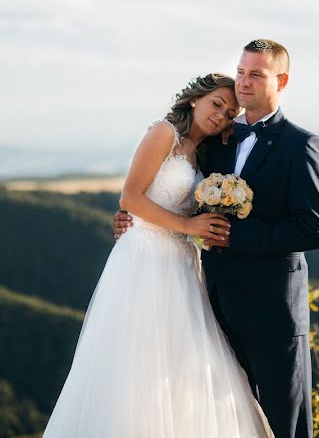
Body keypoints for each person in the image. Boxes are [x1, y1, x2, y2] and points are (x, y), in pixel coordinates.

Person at [115, 40, 319, 438]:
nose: (244, 82)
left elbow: (316, 228)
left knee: (285, 428)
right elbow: (171, 194)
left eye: (257, 74)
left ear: (280, 81)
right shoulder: (215, 142)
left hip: (272, 313)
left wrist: (233, 235)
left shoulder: (301, 145)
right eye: (241, 72)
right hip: (208, 306)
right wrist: (132, 216)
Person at [42, 72, 274, 437]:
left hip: (182, 266)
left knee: (183, 365)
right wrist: (186, 228)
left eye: (230, 113)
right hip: (145, 261)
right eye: (217, 104)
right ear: (196, 99)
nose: (221, 115)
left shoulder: (206, 153)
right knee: (138, 363)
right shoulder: (164, 133)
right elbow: (130, 198)